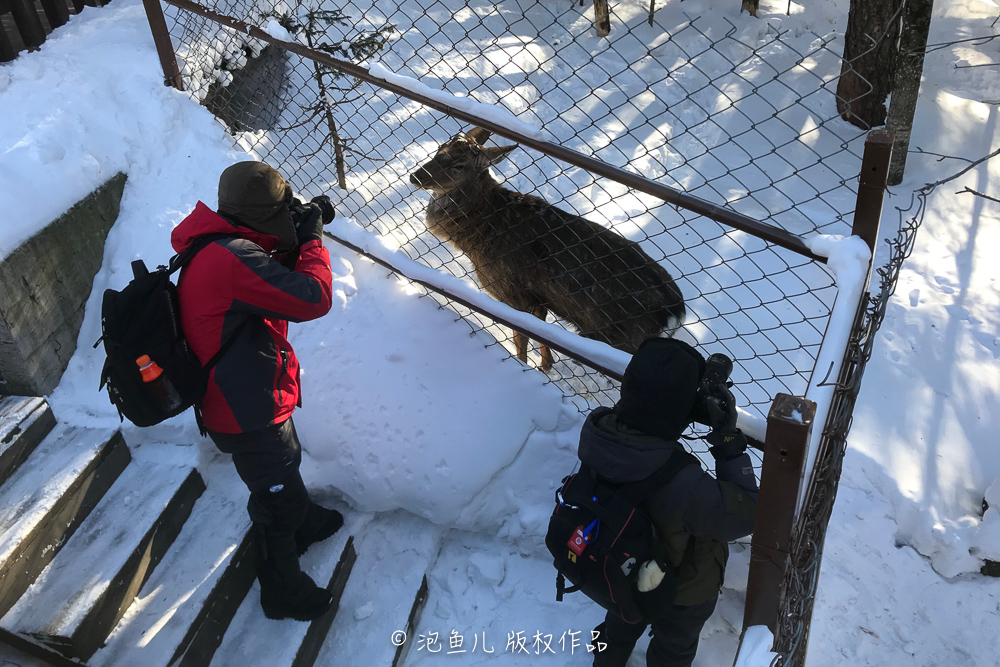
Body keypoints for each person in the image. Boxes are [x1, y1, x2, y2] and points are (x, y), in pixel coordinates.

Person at [170, 161, 344, 621]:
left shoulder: (221, 241)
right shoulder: (230, 259)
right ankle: (282, 591)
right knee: (274, 501)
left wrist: (301, 230)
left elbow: (264, 278)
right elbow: (311, 297)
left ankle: (302, 520)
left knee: (287, 460)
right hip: (242, 410)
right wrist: (310, 241)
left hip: (249, 394)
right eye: (283, 210)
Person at [582, 337, 759, 666]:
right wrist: (727, 441)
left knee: (618, 621)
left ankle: (603, 660)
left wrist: (674, 411)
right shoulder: (684, 482)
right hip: (682, 589)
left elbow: (643, 419)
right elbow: (747, 513)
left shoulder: (597, 431)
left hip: (618, 564)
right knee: (673, 648)